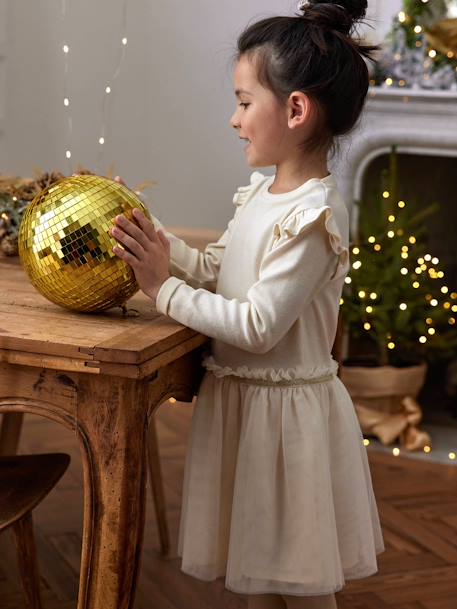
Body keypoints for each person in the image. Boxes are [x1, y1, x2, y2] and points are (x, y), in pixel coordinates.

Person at [110, 1, 385, 607]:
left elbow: (258, 324)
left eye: (242, 101)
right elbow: (220, 273)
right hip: (242, 406)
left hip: (284, 420)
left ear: (294, 109)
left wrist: (161, 290)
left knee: (300, 580)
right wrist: (157, 240)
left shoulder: (313, 216)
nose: (233, 119)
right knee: (253, 571)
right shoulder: (261, 193)